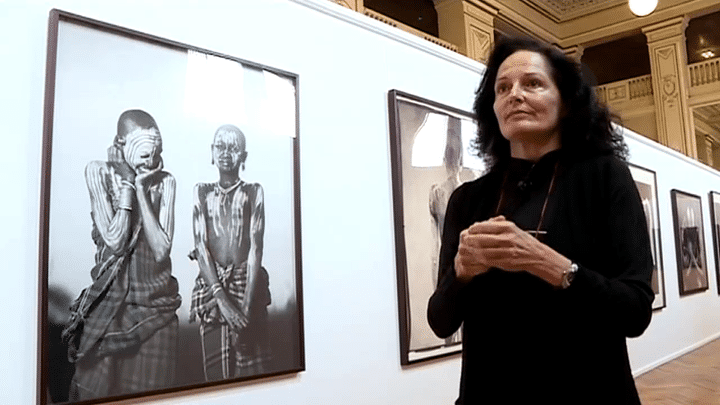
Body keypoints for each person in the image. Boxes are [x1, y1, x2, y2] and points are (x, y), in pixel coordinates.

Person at [427, 36, 654, 404]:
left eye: (532, 83)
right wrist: (463, 273)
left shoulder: (604, 178)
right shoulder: (468, 199)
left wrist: (553, 266)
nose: (514, 94)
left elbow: (635, 312)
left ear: (565, 102)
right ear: (493, 108)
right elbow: (440, 321)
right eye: (503, 88)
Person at [63, 109, 181, 400]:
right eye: (143, 152)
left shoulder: (165, 182)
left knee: (148, 394)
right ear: (120, 143)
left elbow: (162, 249)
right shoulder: (98, 171)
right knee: (95, 390)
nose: (151, 160)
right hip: (110, 304)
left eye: (157, 152)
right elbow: (115, 241)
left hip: (155, 305)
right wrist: (128, 183)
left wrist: (141, 187)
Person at [189, 124, 272, 381]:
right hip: (213, 288)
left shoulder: (252, 191)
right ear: (212, 152)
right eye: (220, 146)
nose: (226, 153)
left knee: (255, 373)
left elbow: (256, 246)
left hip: (247, 286)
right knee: (218, 379)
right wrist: (223, 301)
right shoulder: (201, 191)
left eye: (233, 148)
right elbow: (200, 245)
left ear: (243, 156)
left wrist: (245, 308)